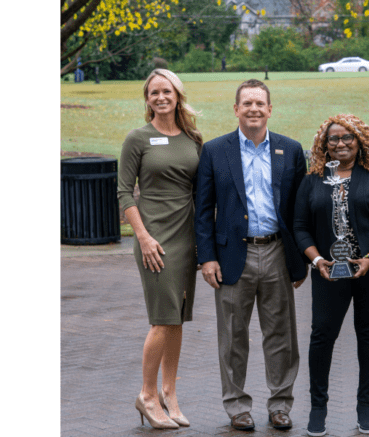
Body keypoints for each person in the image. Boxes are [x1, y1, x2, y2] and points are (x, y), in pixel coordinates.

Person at [195, 79, 308, 432]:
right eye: (247, 103)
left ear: (270, 109)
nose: (254, 109)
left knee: (281, 335)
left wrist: (300, 258)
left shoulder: (290, 150)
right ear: (236, 109)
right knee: (232, 336)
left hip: (276, 252)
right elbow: (203, 209)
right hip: (231, 256)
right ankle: (237, 406)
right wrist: (207, 257)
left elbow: (300, 211)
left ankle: (280, 405)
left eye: (260, 103)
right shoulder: (215, 151)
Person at [293, 114, 369, 436]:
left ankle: (365, 406)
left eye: (347, 137)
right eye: (333, 139)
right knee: (322, 336)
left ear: (360, 140)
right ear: (324, 145)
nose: (340, 144)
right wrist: (317, 260)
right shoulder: (313, 180)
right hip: (328, 272)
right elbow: (300, 227)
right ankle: (317, 408)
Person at [118, 69, 203, 429]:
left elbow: (202, 192)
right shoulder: (137, 139)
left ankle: (169, 392)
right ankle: (147, 395)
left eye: (166, 91)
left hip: (186, 240)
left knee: (178, 318)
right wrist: (143, 236)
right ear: (147, 98)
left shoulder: (193, 139)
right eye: (154, 93)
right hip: (154, 240)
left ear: (177, 95)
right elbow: (124, 192)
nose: (160, 97)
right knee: (162, 319)